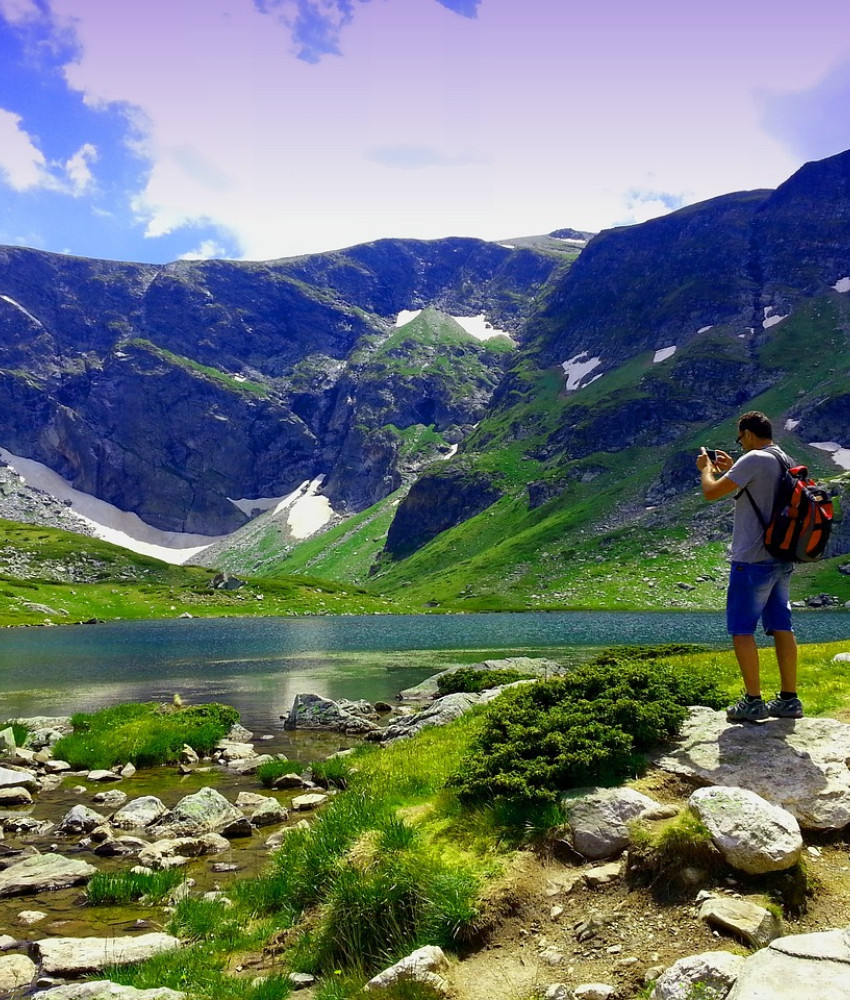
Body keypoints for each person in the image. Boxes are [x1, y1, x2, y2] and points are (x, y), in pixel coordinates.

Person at [696, 410, 803, 722]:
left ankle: (753, 701)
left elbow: (711, 492)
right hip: (781, 557)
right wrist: (733, 467)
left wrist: (706, 469)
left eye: (740, 437)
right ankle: (789, 700)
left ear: (749, 434)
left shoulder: (754, 458)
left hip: (752, 559)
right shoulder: (784, 458)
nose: (740, 443)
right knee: (782, 626)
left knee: (742, 629)